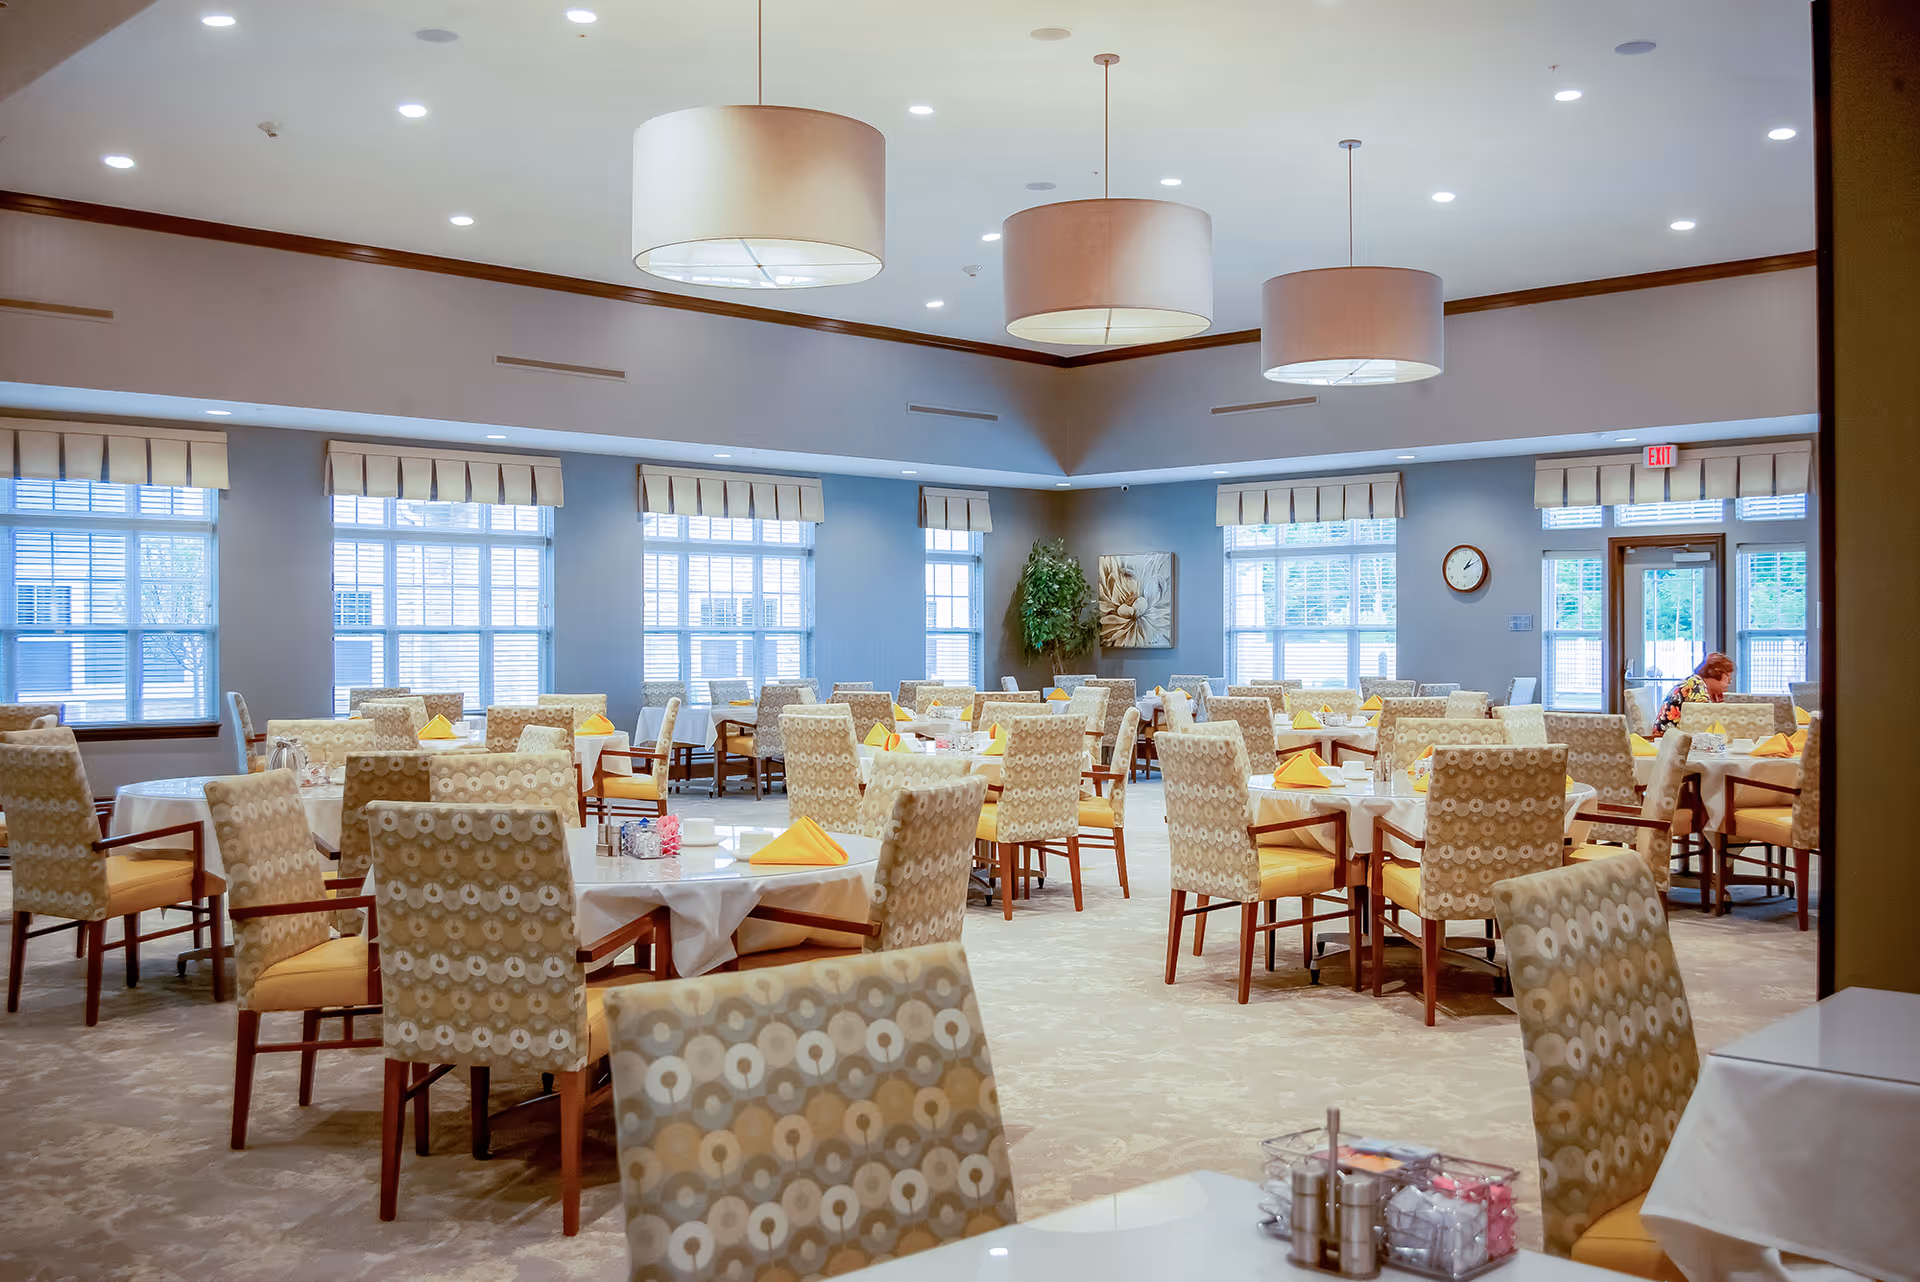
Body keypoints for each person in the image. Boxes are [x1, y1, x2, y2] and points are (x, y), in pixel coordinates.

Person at [1653, 652, 1736, 737]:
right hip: (1666, 739)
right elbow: (1704, 725)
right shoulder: (1696, 686)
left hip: (1674, 737)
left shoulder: (1703, 685)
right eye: (1728, 676)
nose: (1729, 681)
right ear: (1715, 673)